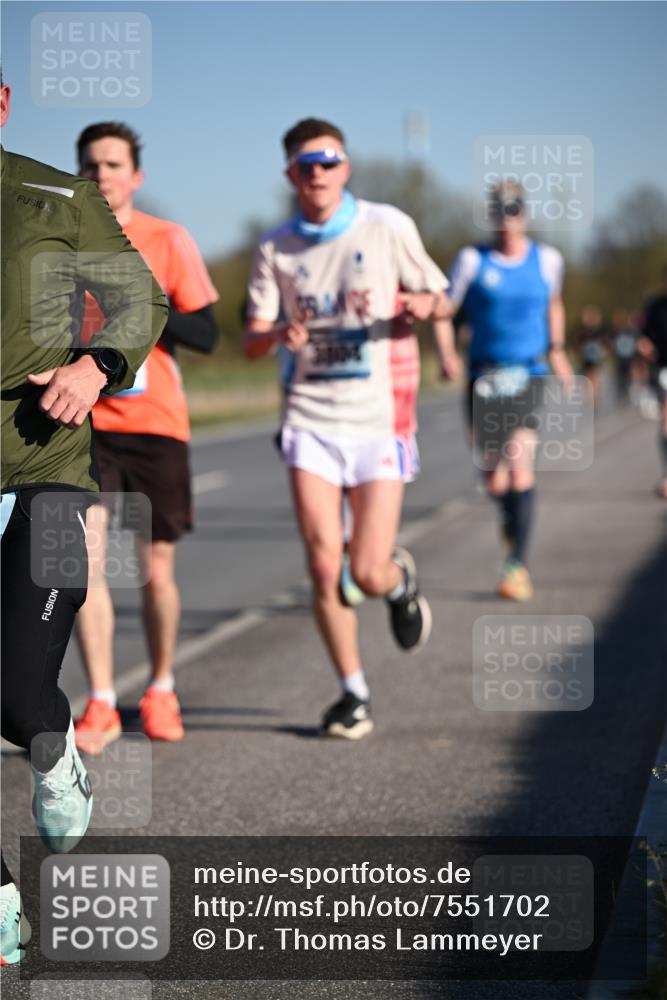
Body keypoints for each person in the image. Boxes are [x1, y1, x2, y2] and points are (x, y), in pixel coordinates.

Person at [0, 82, 167, 963]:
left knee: (18, 695)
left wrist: (99, 364)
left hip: (53, 468)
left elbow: (139, 298)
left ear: (1, 100)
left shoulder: (61, 197)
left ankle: (54, 751)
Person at [244, 118, 449, 740]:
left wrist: (422, 305)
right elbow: (252, 340)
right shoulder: (275, 248)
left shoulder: (387, 226)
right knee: (321, 561)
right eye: (305, 165)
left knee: (364, 571)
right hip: (310, 418)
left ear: (345, 167)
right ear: (290, 175)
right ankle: (353, 694)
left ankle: (397, 580)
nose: (317, 173)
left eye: (327, 161)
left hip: (379, 419)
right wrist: (279, 334)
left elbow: (440, 294)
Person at [72, 123, 220, 754]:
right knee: (82, 565)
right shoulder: (63, 242)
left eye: (112, 163)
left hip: (157, 423)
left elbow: (209, 333)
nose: (101, 173)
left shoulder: (168, 238)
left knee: (156, 570)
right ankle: (101, 702)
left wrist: (153, 308)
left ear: (135, 175)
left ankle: (160, 687)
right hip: (84, 426)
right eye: (90, 164)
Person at [434, 182, 573, 602]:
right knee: (494, 480)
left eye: (514, 209)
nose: (507, 218)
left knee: (519, 461)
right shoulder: (471, 261)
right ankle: (511, 521)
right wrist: (446, 353)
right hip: (484, 377)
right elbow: (443, 310)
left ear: (524, 213)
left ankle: (517, 567)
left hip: (529, 373)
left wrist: (558, 351)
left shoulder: (547, 260)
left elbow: (554, 305)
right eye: (499, 209)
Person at [637, 265, 667, 497]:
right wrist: (644, 346)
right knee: (666, 422)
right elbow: (644, 336)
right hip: (664, 368)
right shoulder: (656, 307)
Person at [575, 304, 608, 409]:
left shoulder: (599, 332)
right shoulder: (583, 333)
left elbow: (606, 344)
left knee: (595, 379)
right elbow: (578, 345)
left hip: (596, 359)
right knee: (588, 379)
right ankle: (590, 399)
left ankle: (594, 399)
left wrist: (603, 352)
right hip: (586, 359)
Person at [610, 308, 638, 404]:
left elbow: (634, 343)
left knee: (630, 374)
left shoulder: (630, 331)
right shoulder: (615, 332)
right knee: (620, 376)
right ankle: (620, 394)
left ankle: (630, 391)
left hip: (629, 357)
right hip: (619, 358)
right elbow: (612, 345)